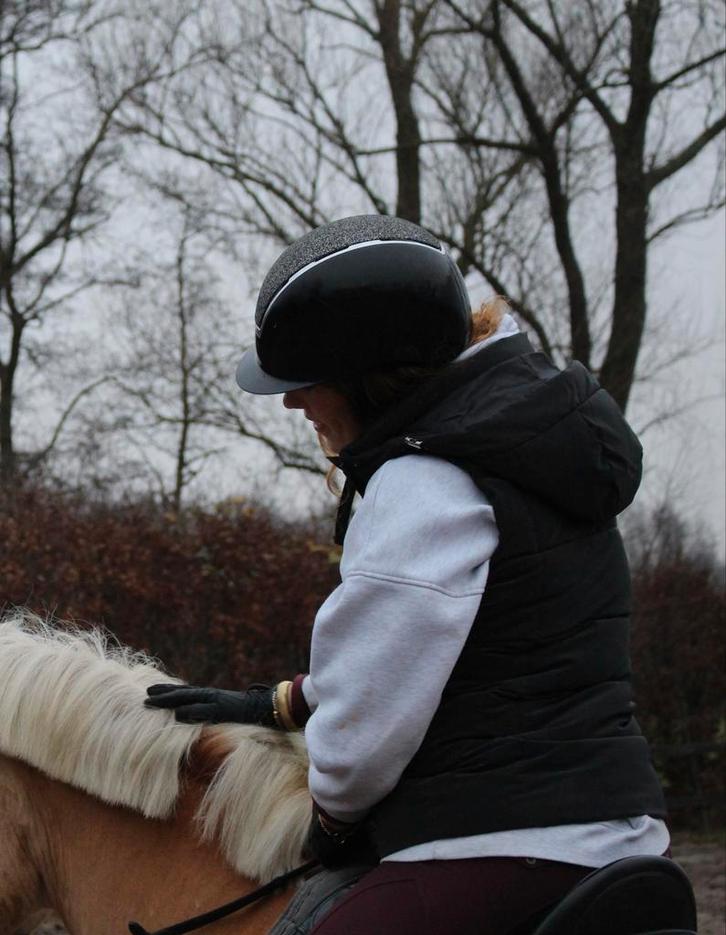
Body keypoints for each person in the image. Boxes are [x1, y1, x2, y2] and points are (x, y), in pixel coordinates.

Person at [145, 215, 669, 934]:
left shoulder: (424, 478)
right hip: (612, 832)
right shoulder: (519, 450)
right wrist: (287, 701)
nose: (293, 401)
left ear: (368, 374)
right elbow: (481, 649)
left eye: (306, 381)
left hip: (495, 844)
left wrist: (328, 817)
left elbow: (366, 736)